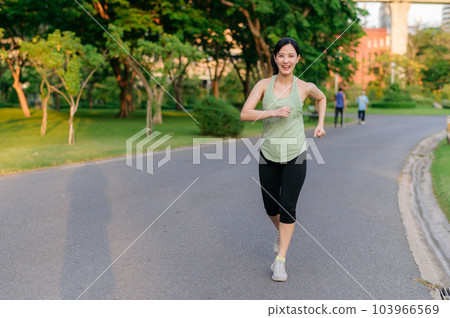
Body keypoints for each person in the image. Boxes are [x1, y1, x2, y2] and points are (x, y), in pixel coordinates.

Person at [240, 38, 326, 282]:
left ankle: (280, 261)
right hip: (269, 153)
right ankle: (284, 234)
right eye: (281, 55)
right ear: (275, 58)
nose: (286, 60)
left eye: (291, 55)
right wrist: (273, 112)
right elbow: (245, 113)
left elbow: (322, 98)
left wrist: (320, 124)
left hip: (295, 153)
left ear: (298, 59)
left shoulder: (305, 87)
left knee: (288, 207)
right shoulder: (263, 85)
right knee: (270, 207)